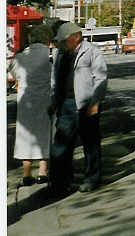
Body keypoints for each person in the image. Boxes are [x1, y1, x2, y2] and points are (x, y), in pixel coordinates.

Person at [49, 22, 108, 194]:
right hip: (65, 104)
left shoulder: (92, 51)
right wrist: (53, 101)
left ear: (76, 37)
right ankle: (60, 182)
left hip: (86, 103)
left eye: (64, 40)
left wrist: (96, 101)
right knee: (61, 145)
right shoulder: (59, 53)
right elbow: (55, 79)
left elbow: (101, 78)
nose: (61, 44)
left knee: (90, 144)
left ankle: (92, 179)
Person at [9, 23, 54, 186]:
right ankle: (43, 171)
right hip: (44, 100)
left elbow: (13, 73)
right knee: (44, 133)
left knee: (24, 135)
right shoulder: (49, 57)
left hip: (25, 101)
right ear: (46, 39)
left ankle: (27, 173)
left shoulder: (20, 57)